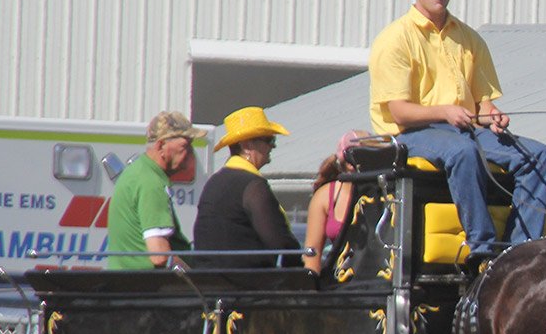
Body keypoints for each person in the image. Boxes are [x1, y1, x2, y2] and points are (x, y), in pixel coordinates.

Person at [370, 0, 546, 261]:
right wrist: (445, 111)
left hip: (464, 129)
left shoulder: (470, 39)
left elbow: (482, 104)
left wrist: (492, 116)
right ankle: (482, 248)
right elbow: (399, 112)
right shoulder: (395, 39)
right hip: (410, 134)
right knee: (463, 151)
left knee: (539, 155)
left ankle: (518, 249)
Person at [193, 106, 301, 269]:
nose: (273, 146)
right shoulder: (252, 185)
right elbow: (278, 240)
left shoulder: (216, 181)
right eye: (269, 140)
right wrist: (300, 271)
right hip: (244, 283)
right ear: (247, 144)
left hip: (209, 281)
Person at [106, 111, 205, 270]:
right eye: (185, 146)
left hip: (126, 283)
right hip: (146, 287)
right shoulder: (151, 182)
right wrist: (196, 277)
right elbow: (160, 257)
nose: (190, 153)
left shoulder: (137, 172)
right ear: (161, 146)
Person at [303, 130, 370, 271]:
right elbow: (312, 254)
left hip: (379, 279)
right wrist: (312, 287)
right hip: (339, 279)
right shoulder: (325, 195)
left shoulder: (385, 191)